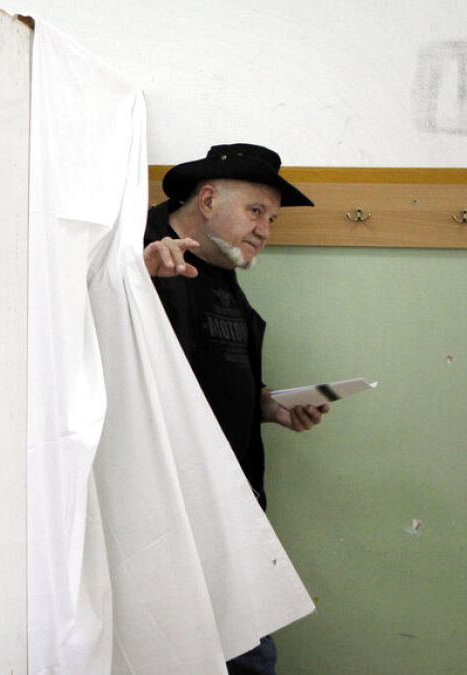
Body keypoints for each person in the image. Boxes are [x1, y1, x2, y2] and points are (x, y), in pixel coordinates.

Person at [141, 143, 328, 675]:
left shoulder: (223, 270)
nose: (266, 229)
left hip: (230, 504)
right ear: (206, 199)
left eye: (271, 218)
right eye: (256, 211)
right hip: (172, 511)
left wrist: (268, 406)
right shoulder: (140, 258)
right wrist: (137, 279)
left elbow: (210, 375)